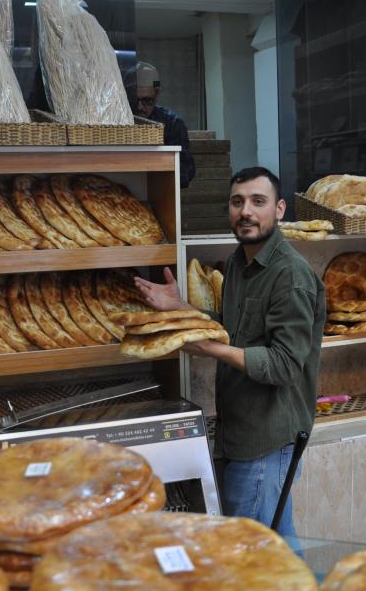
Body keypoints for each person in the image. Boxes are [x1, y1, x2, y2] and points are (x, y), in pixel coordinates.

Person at [135, 166, 324, 536]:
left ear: (280, 209)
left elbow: (284, 365)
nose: (246, 211)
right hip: (239, 431)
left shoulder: (291, 276)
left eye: (258, 201)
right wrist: (183, 309)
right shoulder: (240, 263)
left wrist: (212, 348)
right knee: (277, 546)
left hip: (266, 442)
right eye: (237, 202)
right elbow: (232, 328)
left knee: (251, 551)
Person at [126, 62, 195, 188]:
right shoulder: (114, 121)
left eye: (147, 100)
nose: (140, 107)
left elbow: (186, 172)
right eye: (135, 100)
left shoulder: (172, 124)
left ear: (156, 94)